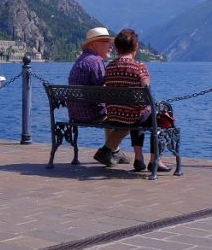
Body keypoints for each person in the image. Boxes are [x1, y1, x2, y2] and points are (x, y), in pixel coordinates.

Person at [103, 28, 171, 173]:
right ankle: (155, 161)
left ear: (117, 48)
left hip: (115, 117)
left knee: (139, 111)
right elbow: (147, 92)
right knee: (157, 115)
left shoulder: (109, 68)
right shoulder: (139, 67)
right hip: (133, 116)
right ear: (135, 47)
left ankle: (139, 158)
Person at [67, 27, 130, 166]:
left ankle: (115, 151)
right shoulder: (95, 61)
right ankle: (109, 151)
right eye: (107, 42)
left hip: (75, 113)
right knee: (129, 117)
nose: (111, 46)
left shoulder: (82, 60)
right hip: (90, 113)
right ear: (96, 44)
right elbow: (104, 92)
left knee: (110, 114)